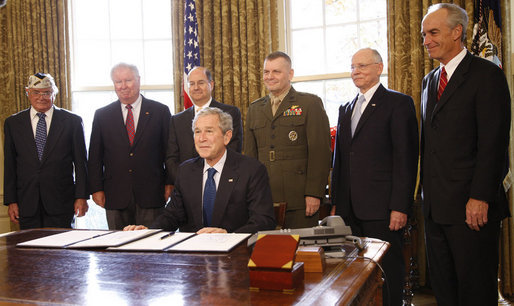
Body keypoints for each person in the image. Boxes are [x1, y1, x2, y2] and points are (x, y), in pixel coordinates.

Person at [420, 4, 511, 305]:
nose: (426, 41)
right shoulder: (429, 81)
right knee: (444, 291)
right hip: (435, 209)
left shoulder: (486, 75)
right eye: (423, 35)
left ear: (457, 31)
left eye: (433, 32)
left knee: (475, 292)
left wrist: (480, 196)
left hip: (471, 209)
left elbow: (493, 143)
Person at [331, 48, 418, 306]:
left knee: (387, 269)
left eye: (362, 66)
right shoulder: (346, 108)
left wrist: (400, 206)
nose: (355, 71)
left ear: (379, 68)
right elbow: (340, 161)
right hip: (349, 209)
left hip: (383, 208)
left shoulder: (398, 103)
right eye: (352, 66)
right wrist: (337, 202)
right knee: (354, 272)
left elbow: (406, 159)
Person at [125, 107, 275, 233]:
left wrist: (229, 235)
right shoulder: (186, 170)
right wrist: (148, 232)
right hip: (192, 258)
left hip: (235, 256)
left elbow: (263, 220)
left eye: (209, 131)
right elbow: (172, 215)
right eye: (197, 132)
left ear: (227, 137)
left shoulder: (251, 170)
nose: (201, 138)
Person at [244, 51, 331, 229]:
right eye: (266, 72)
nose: (270, 76)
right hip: (264, 198)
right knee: (266, 252)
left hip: (299, 198)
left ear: (290, 74)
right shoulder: (255, 108)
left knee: (302, 252)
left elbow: (320, 153)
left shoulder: (309, 104)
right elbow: (250, 158)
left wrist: (314, 193)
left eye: (276, 71)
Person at [88, 63, 172, 230]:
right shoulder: (102, 115)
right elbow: (95, 156)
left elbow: (169, 152)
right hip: (115, 194)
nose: (123, 86)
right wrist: (96, 189)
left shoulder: (160, 111)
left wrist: (170, 183)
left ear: (138, 80)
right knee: (117, 249)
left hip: (152, 193)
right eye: (118, 82)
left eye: (128, 80)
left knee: (151, 246)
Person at [3, 73, 88, 229]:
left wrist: (81, 197)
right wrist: (11, 201)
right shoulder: (13, 123)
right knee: (29, 251)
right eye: (36, 92)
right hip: (26, 203)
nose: (41, 97)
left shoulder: (72, 122)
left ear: (54, 93)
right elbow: (9, 165)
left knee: (61, 251)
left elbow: (81, 164)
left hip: (61, 202)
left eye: (46, 92)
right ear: (28, 93)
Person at [166, 66, 243, 184]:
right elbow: (171, 159)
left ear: (211, 85)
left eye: (201, 83)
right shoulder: (176, 120)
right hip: (186, 187)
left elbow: (233, 150)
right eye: (191, 84)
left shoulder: (230, 113)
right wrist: (185, 182)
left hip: (221, 183)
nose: (196, 87)